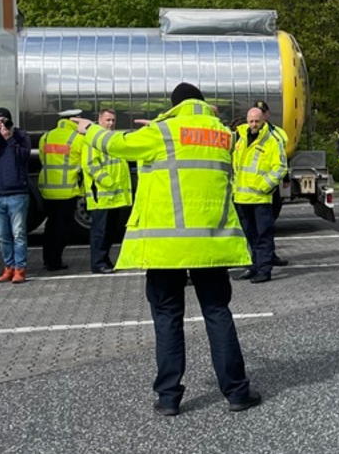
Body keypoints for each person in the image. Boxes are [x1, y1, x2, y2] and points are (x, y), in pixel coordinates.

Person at [71, 82, 261, 416]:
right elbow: (199, 131)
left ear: (173, 107)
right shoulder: (221, 135)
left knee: (168, 318)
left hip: (167, 247)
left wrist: (89, 129)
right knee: (218, 314)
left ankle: (170, 397)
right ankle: (237, 393)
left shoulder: (161, 133)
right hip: (211, 244)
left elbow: (117, 144)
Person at [232, 107, 289, 284]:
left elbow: (280, 167)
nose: (254, 124)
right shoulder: (240, 138)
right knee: (250, 236)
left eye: (257, 121)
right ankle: (254, 266)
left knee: (264, 235)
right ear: (247, 121)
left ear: (262, 120)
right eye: (251, 121)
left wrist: (264, 186)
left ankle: (264, 270)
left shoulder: (272, 141)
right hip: (241, 198)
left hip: (260, 198)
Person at [0, 107, 32, 284]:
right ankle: (8, 267)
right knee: (2, 236)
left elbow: (24, 157)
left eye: (5, 121)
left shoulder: (20, 136)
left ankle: (20, 269)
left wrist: (9, 138)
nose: (3, 124)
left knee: (18, 234)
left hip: (17, 193)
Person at [82, 109, 133, 274]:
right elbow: (91, 165)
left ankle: (104, 260)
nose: (110, 123)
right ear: (99, 120)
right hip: (102, 195)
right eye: (107, 120)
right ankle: (98, 263)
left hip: (114, 196)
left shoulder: (113, 139)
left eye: (113, 120)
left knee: (110, 231)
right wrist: (109, 183)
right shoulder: (92, 140)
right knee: (100, 231)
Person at [38, 115, 84, 271]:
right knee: (62, 229)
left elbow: (42, 159)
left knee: (50, 226)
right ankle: (55, 261)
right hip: (67, 191)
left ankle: (47, 259)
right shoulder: (77, 138)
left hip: (47, 190)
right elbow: (82, 162)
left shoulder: (46, 137)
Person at [252, 100, 290, 267]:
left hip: (270, 184)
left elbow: (282, 158)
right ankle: (257, 259)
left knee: (269, 223)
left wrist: (286, 178)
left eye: (263, 112)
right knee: (254, 227)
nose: (261, 115)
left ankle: (269, 255)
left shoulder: (278, 133)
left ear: (267, 114)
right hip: (252, 187)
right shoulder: (247, 132)